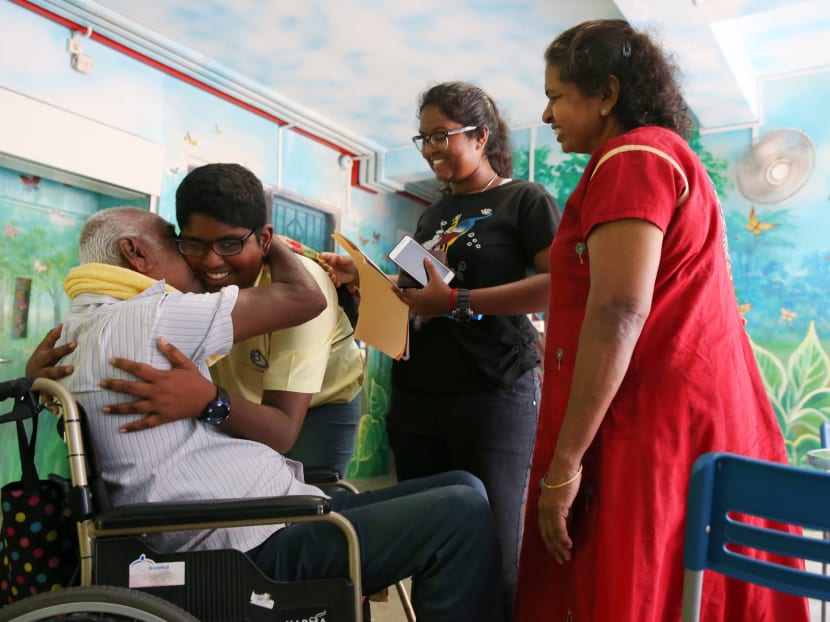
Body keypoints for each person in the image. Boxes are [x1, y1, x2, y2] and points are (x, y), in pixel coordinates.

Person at [52, 206, 503, 621]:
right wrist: (277, 244)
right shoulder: (151, 315)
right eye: (180, 244)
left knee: (462, 485)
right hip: (243, 541)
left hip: (264, 510)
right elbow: (302, 298)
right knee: (459, 511)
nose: (198, 262)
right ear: (135, 254)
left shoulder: (71, 332)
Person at [513, 19, 811, 621]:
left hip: (653, 421)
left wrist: (564, 465)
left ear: (606, 94)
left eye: (555, 96)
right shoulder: (668, 158)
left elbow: (621, 309)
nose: (546, 116)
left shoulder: (633, 158)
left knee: (642, 580)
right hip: (688, 412)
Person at [322, 80, 560, 617]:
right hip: (420, 396)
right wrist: (362, 281)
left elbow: (559, 285)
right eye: (423, 139)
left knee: (495, 545)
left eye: (441, 136)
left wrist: (458, 299)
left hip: (493, 391)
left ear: (480, 135)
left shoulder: (524, 200)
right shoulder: (433, 214)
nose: (430, 150)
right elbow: (411, 301)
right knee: (431, 540)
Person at [96, 164, 364, 477]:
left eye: (230, 244)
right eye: (195, 243)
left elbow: (282, 431)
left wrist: (209, 400)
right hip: (225, 400)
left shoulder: (304, 288)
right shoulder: (185, 276)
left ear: (264, 239)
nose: (211, 262)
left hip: (318, 405)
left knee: (311, 510)